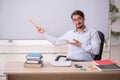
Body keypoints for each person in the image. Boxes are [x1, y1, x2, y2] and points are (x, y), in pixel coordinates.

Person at [35, 10, 101, 61]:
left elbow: (96, 51)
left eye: (79, 19)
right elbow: (56, 42)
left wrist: (81, 45)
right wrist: (43, 32)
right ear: (73, 21)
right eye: (74, 20)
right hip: (70, 62)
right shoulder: (70, 33)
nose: (77, 22)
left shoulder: (93, 33)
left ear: (84, 19)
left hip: (85, 63)